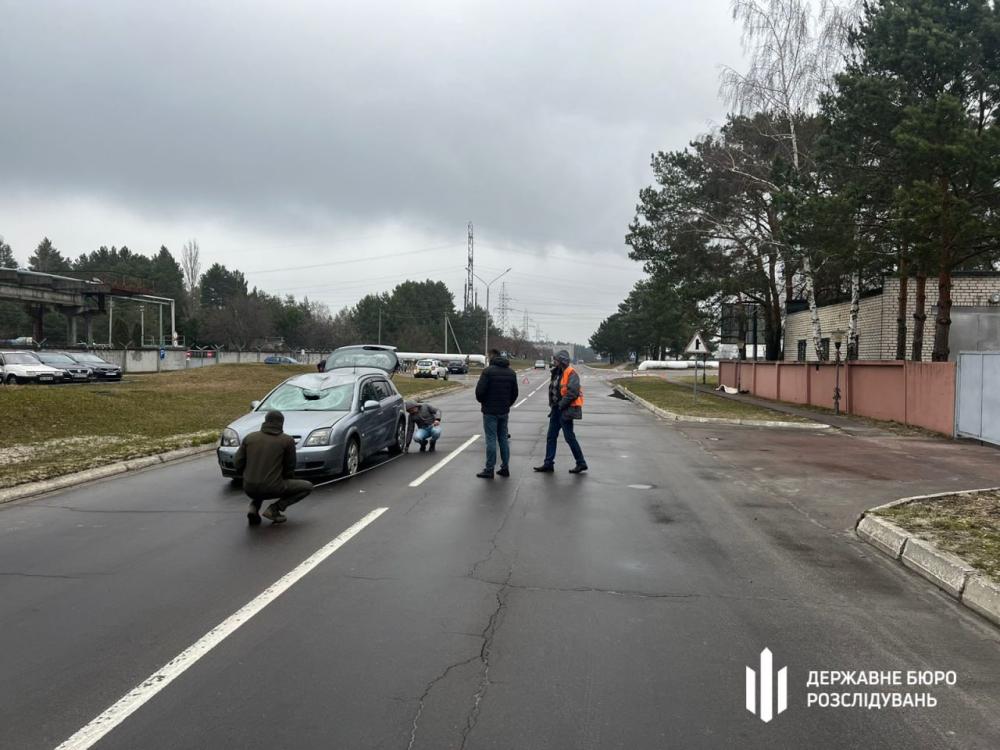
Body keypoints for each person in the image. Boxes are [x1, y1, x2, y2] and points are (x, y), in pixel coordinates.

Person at [235, 410, 313, 525]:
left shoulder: (249, 438)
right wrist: (286, 481)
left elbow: (238, 463)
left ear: (265, 421)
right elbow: (289, 467)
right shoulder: (287, 440)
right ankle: (274, 509)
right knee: (307, 487)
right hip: (272, 488)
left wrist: (246, 477)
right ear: (281, 423)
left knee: (261, 479)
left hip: (249, 488)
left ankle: (254, 507)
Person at [534, 350, 588, 474]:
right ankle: (548, 463)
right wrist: (555, 406)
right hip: (556, 409)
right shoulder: (557, 372)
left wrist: (561, 405)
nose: (554, 362)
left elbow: (573, 392)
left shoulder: (571, 373)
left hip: (566, 410)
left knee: (569, 437)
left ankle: (581, 463)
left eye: (556, 360)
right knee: (551, 437)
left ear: (562, 361)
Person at [475, 348, 518, 478]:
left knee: (491, 439)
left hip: (490, 411)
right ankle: (505, 467)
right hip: (504, 411)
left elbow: (479, 392)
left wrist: (484, 402)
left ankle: (489, 469)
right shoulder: (511, 373)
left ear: (491, 357)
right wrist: (507, 404)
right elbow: (515, 393)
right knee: (503, 439)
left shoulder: (487, 372)